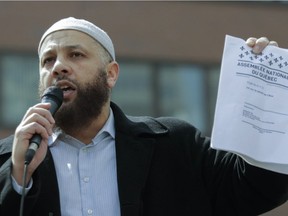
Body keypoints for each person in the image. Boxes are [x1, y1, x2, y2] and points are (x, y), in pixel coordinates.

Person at [0, 17, 287, 216]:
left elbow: (256, 188)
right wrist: (17, 175)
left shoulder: (173, 144)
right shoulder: (12, 155)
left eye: (75, 55)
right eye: (48, 60)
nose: (59, 66)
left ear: (111, 74)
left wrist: (269, 96)